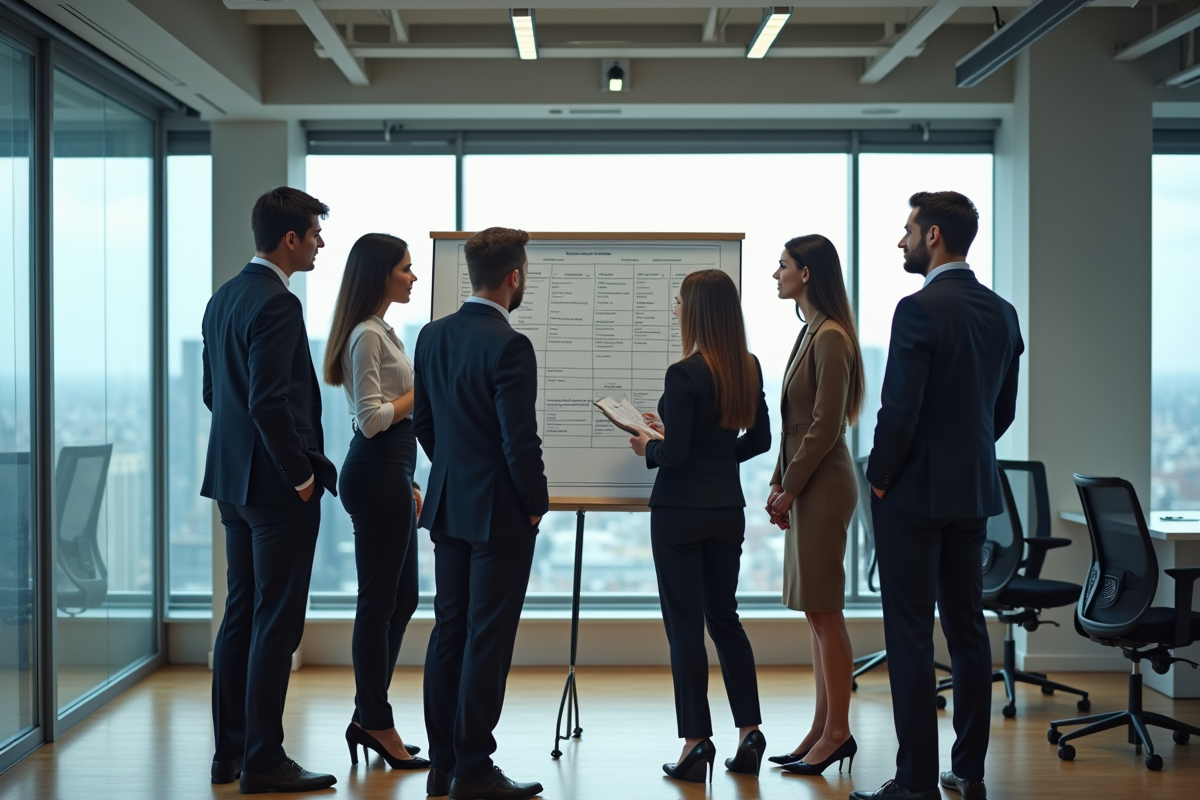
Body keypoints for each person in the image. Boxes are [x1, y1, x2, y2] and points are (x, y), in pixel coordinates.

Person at [851, 192, 1023, 800]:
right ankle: (968, 772)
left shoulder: (917, 309)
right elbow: (1000, 412)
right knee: (968, 628)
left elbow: (898, 411)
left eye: (907, 230)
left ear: (933, 237)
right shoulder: (1003, 314)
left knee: (910, 633)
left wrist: (882, 475)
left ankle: (916, 782)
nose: (900, 241)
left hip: (913, 496)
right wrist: (963, 451)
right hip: (972, 493)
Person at [202, 187, 338, 793]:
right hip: (277, 489)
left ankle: (228, 754)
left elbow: (217, 394)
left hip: (232, 483)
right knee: (275, 624)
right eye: (314, 233)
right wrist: (303, 475)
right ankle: (264, 761)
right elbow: (267, 400)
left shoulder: (222, 298)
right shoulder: (278, 304)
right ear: (290, 239)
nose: (320, 243)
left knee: (241, 617)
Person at [414, 227, 548, 800]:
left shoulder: (432, 336)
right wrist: (535, 503)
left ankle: (443, 762)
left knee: (449, 630)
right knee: (486, 637)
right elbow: (520, 441)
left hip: (450, 506)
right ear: (514, 277)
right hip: (500, 512)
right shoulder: (510, 344)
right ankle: (474, 767)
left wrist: (452, 472)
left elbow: (423, 423)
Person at [628, 269, 772, 783]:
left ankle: (695, 744)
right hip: (726, 512)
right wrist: (707, 452)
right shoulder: (747, 367)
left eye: (681, 301)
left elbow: (676, 454)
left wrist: (649, 445)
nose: (676, 308)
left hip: (679, 515)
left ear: (697, 311)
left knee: (685, 629)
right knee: (725, 620)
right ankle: (749, 732)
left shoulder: (684, 372)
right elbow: (757, 442)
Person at [322, 233, 430, 772]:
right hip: (372, 473)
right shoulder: (367, 335)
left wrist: (409, 479)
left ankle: (370, 715)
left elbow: (393, 419)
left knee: (401, 599)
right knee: (378, 603)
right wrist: (424, 392)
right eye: (406, 269)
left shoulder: (384, 331)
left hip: (393, 474)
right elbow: (372, 419)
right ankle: (376, 720)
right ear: (381, 274)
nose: (413, 277)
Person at [763, 235, 864, 777]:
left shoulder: (829, 337)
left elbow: (825, 425)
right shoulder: (810, 332)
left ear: (807, 273)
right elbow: (795, 424)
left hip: (824, 483)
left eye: (782, 266)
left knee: (825, 612)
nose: (774, 274)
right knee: (815, 614)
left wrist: (792, 486)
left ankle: (838, 733)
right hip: (809, 479)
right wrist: (780, 481)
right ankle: (821, 728)